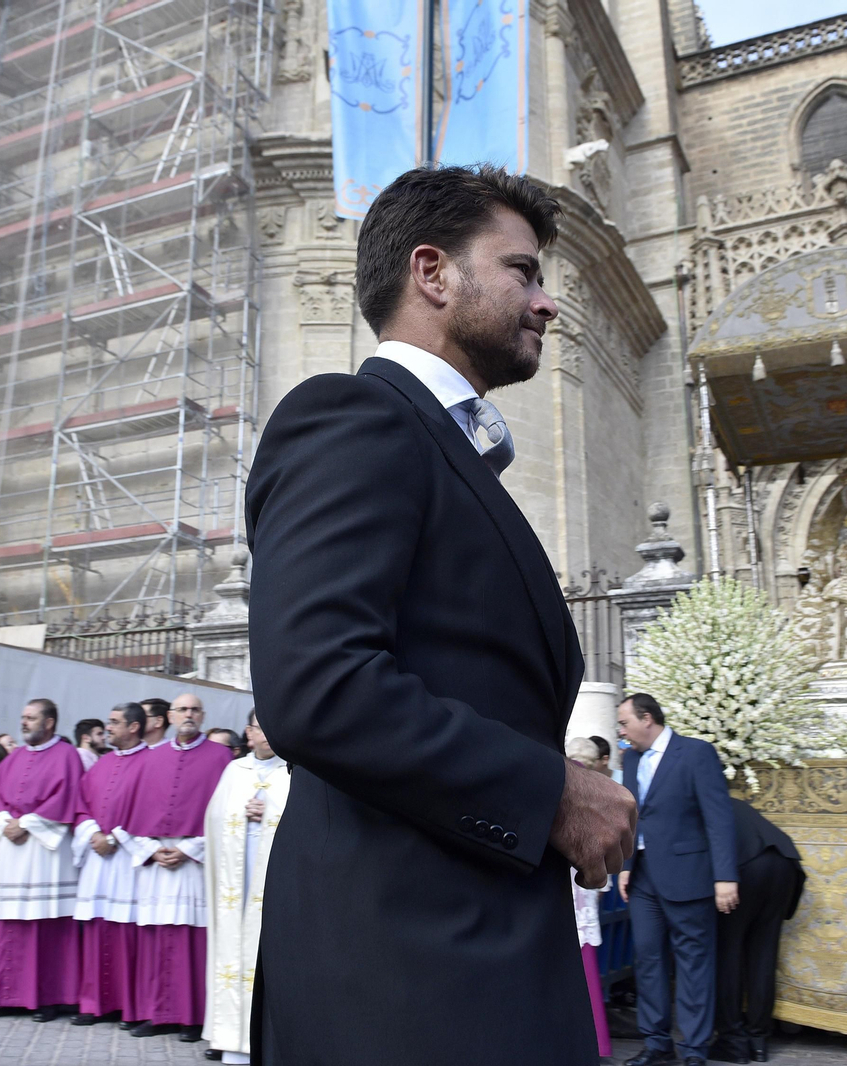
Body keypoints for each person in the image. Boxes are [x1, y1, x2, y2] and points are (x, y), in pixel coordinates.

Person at [245, 163, 635, 1066]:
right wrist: (552, 791)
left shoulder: (446, 448)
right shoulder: (352, 417)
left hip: (470, 942)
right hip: (403, 970)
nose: (546, 304)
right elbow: (320, 687)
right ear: (434, 273)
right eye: (523, 272)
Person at [615, 693, 738, 1066]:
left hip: (689, 876)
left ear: (647, 718)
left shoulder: (696, 753)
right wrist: (624, 865)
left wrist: (725, 877)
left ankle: (695, 1050)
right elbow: (632, 815)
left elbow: (718, 818)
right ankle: (656, 1044)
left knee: (693, 962)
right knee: (648, 959)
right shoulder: (631, 758)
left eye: (624, 723)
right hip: (643, 879)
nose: (621, 731)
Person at [0, 698, 83, 1022]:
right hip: (8, 849)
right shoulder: (15, 756)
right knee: (3, 922)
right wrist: (5, 819)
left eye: (31, 718)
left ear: (49, 723)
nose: (23, 723)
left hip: (42, 851)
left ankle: (46, 998)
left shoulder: (68, 756)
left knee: (42, 924)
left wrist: (26, 823)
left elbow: (67, 796)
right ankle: (1, 994)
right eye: (22, 717)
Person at [129, 698, 231, 1042]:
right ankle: (155, 1014)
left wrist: (188, 849)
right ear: (169, 717)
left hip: (195, 857)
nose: (188, 715)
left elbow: (223, 813)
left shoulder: (220, 758)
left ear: (202, 716)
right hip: (155, 856)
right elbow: (133, 812)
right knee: (153, 938)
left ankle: (190, 1017)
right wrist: (152, 849)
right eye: (182, 710)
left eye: (195, 710)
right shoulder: (152, 757)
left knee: (193, 938)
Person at [204, 710, 291, 1064]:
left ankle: (265, 1041)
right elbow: (214, 818)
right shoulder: (234, 771)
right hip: (234, 884)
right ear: (248, 731)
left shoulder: (294, 772)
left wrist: (269, 813)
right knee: (230, 952)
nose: (266, 734)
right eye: (260, 726)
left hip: (273, 882)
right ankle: (228, 1037)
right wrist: (241, 814)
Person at [72, 702, 155, 1027]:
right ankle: (93, 1004)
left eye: (115, 722)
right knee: (95, 928)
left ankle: (128, 1007)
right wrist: (93, 833)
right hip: (97, 858)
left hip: (128, 859)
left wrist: (116, 838)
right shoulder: (102, 763)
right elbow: (81, 803)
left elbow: (152, 808)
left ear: (134, 727)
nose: (109, 728)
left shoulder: (152, 762)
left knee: (127, 933)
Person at [712, 799, 805, 1065]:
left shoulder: (697, 802)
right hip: (785, 864)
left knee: (727, 952)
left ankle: (732, 1040)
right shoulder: (731, 801)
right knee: (764, 955)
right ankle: (759, 1040)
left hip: (745, 867)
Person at [565, 738, 613, 1062]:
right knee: (585, 964)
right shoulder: (600, 791)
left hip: (565, 887)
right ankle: (596, 1043)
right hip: (587, 884)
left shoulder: (567, 788)